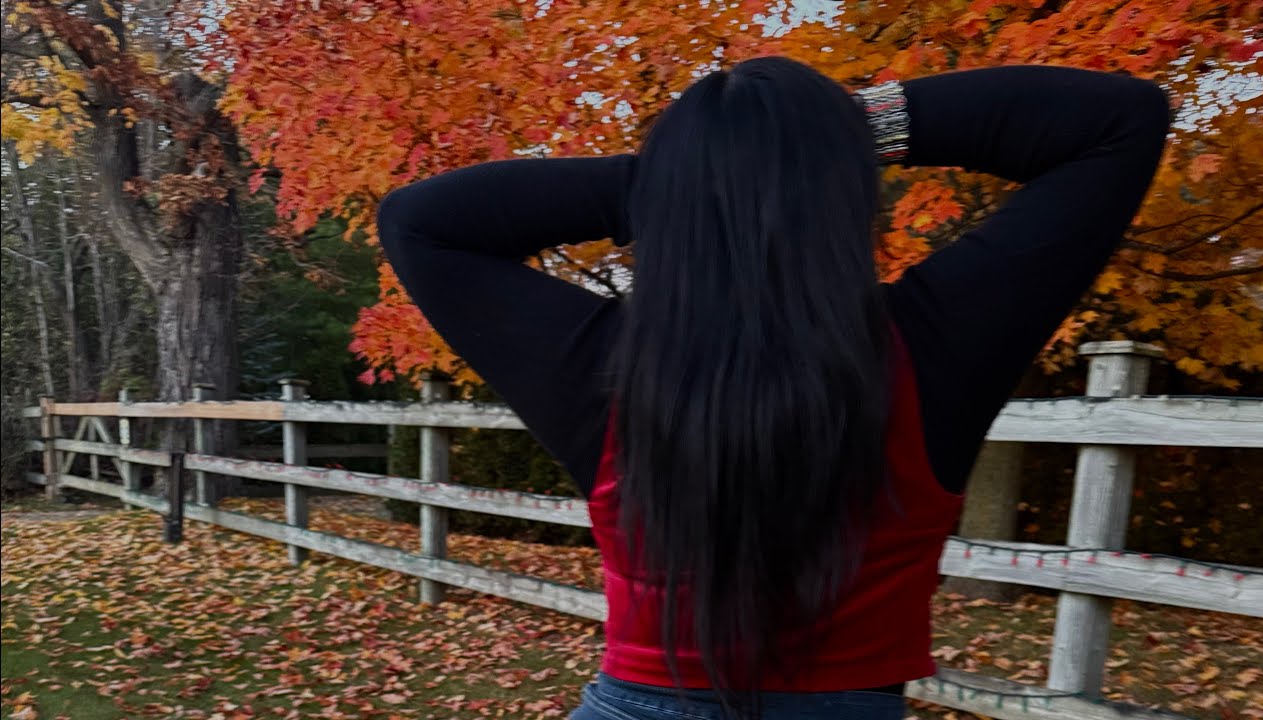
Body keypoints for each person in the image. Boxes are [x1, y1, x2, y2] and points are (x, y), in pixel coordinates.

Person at [377, 59, 1170, 720]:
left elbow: (422, 220)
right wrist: (825, 141)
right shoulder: (933, 347)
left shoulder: (606, 367)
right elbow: (1116, 121)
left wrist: (691, 173)